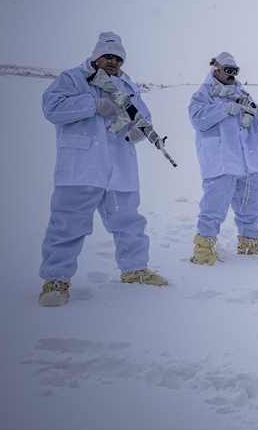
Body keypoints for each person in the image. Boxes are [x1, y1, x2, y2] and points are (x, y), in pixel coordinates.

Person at [37, 32, 168, 307]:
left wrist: (138, 132)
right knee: (67, 224)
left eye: (118, 58)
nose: (113, 62)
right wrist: (94, 105)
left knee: (129, 221)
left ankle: (134, 270)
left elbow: (144, 118)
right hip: (81, 166)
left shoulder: (127, 86)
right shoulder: (72, 79)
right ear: (96, 56)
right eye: (108, 56)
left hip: (119, 166)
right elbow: (51, 107)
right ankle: (56, 280)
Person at [188, 53, 258, 264]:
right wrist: (223, 108)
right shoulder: (203, 94)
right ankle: (204, 249)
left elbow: (254, 120)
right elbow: (197, 120)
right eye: (228, 70)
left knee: (251, 203)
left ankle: (249, 243)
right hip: (221, 157)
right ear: (216, 69)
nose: (232, 75)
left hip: (247, 158)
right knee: (215, 204)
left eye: (235, 71)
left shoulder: (243, 92)